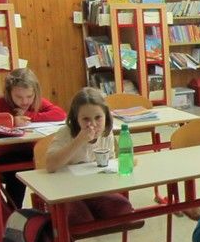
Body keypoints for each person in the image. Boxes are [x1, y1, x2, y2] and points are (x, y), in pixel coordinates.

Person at [45, 88, 137, 225]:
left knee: (123, 208)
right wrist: (79, 141)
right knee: (82, 220)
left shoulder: (106, 133)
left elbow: (109, 165)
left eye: (98, 118)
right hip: (68, 191)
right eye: (86, 119)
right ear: (76, 119)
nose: (93, 124)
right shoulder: (66, 133)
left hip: (95, 189)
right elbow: (50, 165)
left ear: (106, 116)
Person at [0, 68, 66, 207]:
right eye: (19, 97)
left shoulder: (35, 102)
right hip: (6, 155)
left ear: (35, 93)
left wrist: (30, 116)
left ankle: (51, 209)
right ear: (9, 93)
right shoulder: (1, 103)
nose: (25, 101)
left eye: (29, 96)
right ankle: (14, 210)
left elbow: (60, 114)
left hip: (32, 152)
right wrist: (11, 120)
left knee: (56, 162)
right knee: (17, 173)